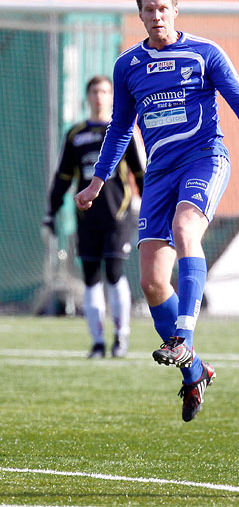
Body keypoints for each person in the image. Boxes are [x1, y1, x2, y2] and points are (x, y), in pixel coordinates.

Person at [74, 0, 239, 422]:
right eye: (148, 9)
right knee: (151, 282)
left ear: (176, 10)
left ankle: (183, 334)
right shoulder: (128, 65)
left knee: (187, 230)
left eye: (163, 8)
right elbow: (119, 129)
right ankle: (194, 371)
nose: (157, 16)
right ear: (140, 15)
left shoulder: (205, 54)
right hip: (159, 174)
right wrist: (97, 181)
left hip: (205, 158)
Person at [43, 75, 144, 359]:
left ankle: (120, 338)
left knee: (114, 273)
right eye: (94, 91)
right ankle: (98, 342)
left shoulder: (124, 130)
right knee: (90, 277)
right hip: (86, 218)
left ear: (112, 97)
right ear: (87, 97)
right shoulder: (75, 135)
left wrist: (151, 208)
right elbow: (62, 178)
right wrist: (50, 214)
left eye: (104, 91)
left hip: (118, 215)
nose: (99, 96)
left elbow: (141, 174)